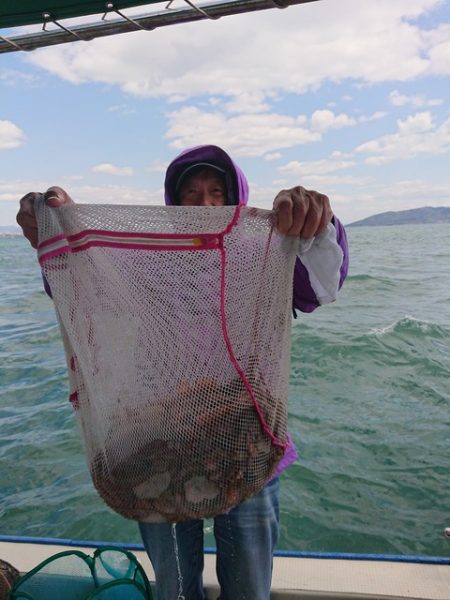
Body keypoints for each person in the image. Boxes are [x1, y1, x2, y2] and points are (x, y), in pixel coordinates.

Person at [17, 144, 349, 600]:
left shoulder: (264, 251)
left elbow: (319, 285)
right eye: (191, 194)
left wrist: (318, 222)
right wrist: (58, 226)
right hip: (161, 437)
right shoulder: (146, 258)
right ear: (174, 205)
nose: (206, 203)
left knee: (250, 586)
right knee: (173, 586)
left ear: (236, 196)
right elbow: (86, 277)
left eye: (217, 191)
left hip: (246, 439)